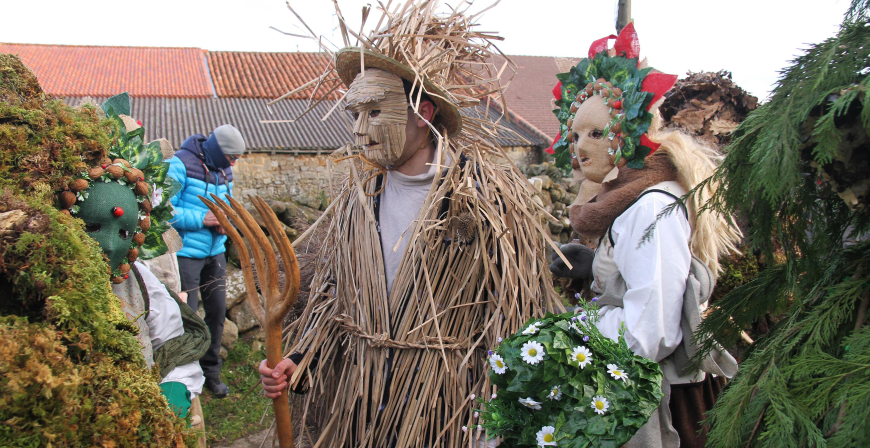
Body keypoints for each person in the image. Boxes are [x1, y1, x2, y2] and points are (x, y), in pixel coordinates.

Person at [257, 3, 563, 446]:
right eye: (354, 115)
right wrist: (300, 357)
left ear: (424, 112)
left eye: (376, 112)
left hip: (445, 408)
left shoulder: (485, 202)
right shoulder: (357, 201)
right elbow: (333, 295)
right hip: (361, 406)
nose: (360, 131)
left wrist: (498, 419)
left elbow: (516, 314)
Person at [549, 24, 741, 447]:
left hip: (662, 398)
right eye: (576, 134)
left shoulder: (649, 206)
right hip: (640, 383)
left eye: (597, 133)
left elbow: (649, 331)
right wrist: (596, 269)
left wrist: (569, 333)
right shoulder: (628, 202)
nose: (580, 148)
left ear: (631, 134)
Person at [168, 124, 246, 398]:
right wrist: (201, 218)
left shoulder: (225, 170)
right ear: (217, 150)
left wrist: (227, 221)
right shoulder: (180, 164)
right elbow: (163, 208)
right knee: (185, 317)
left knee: (216, 313)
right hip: (186, 255)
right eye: (232, 158)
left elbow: (227, 203)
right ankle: (182, 380)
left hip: (215, 252)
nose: (234, 164)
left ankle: (210, 373)